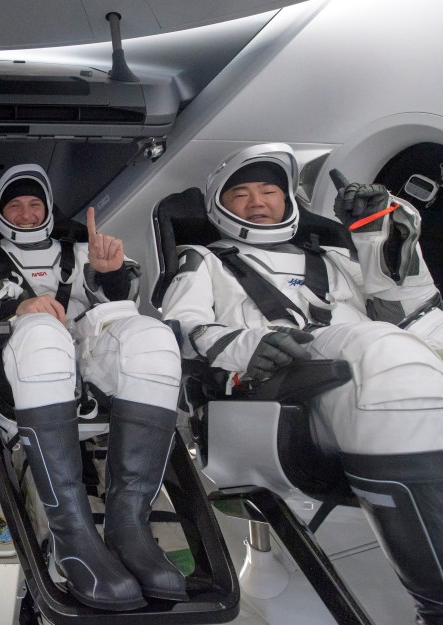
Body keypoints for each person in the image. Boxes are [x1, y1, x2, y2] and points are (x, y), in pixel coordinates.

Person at [161, 143, 443, 624]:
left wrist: (378, 237)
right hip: (273, 391)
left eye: (268, 190)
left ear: (287, 199)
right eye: (241, 194)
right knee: (388, 356)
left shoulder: (336, 257)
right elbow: (182, 329)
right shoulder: (204, 261)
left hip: (369, 370)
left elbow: (412, 313)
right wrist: (243, 346)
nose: (257, 202)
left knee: (401, 352)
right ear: (219, 208)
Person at [0, 164, 187, 610]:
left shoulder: (80, 251)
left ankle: (128, 526)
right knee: (41, 329)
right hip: (20, 360)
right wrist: (19, 303)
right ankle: (71, 534)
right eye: (14, 206)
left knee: (152, 335)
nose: (24, 213)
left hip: (87, 359)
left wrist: (109, 276)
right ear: (0, 214)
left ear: (47, 210)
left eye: (34, 204)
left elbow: (116, 306)